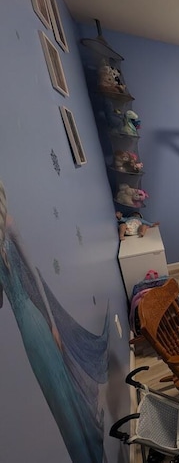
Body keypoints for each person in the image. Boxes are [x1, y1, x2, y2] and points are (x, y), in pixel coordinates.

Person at [0, 181, 108, 463]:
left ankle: (89, 452)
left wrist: (52, 324)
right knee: (56, 400)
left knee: (63, 391)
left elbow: (34, 278)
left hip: (35, 322)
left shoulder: (9, 224)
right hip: (27, 333)